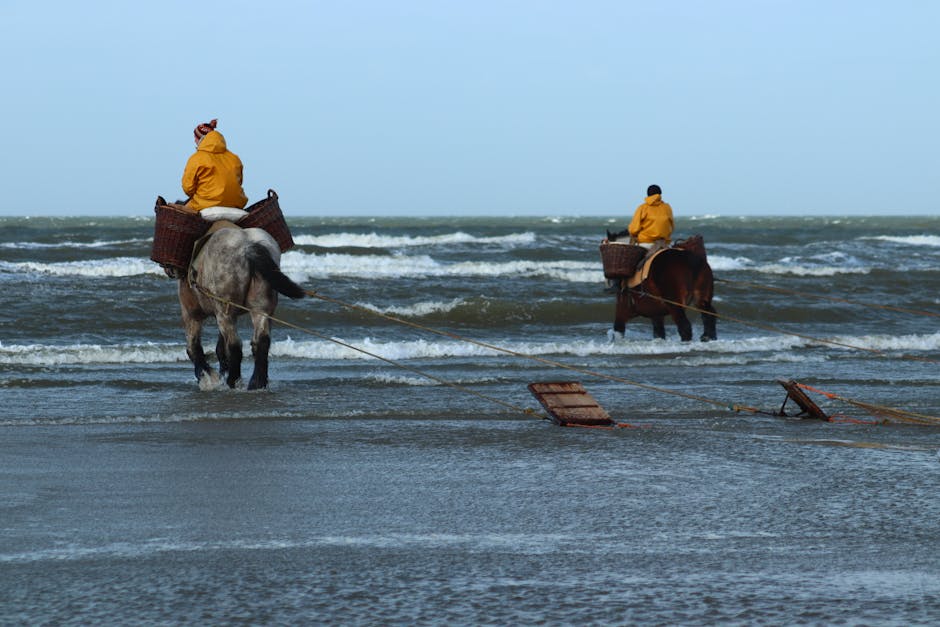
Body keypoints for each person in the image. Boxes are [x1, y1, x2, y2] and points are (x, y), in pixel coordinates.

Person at [181, 119, 248, 211]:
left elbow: (188, 188)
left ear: (201, 139)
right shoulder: (234, 158)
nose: (194, 140)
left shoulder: (196, 158)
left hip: (204, 205)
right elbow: (239, 182)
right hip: (236, 204)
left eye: (195, 137)